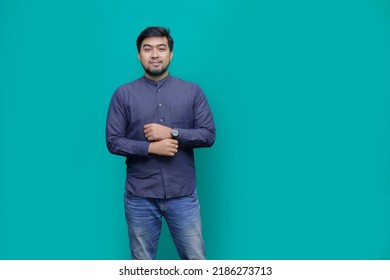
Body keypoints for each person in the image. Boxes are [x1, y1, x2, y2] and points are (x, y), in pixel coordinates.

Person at [105, 26, 216, 260]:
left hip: (183, 195)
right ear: (139, 55)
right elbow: (113, 141)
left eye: (161, 48)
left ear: (171, 54)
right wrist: (149, 148)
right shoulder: (123, 95)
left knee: (196, 262)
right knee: (143, 266)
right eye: (148, 49)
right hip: (140, 196)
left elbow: (208, 135)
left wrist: (172, 133)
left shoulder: (192, 92)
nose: (154, 54)